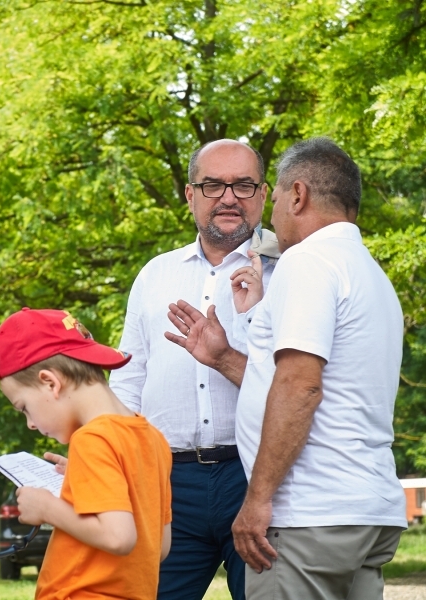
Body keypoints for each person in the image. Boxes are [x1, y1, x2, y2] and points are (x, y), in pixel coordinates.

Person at [166, 138, 407, 600]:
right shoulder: (370, 274)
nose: (272, 215)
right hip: (366, 511)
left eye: (273, 197)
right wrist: (233, 344)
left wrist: (256, 500)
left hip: (309, 516)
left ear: (298, 195)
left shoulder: (308, 261)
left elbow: (300, 387)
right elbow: (314, 382)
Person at [108, 139, 276, 600]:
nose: (228, 197)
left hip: (257, 479)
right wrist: (101, 452)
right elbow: (128, 377)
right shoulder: (155, 275)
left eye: (243, 185)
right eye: (212, 185)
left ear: (264, 194)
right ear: (189, 194)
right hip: (167, 483)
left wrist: (225, 355)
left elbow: (297, 387)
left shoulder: (289, 275)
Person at [0, 307, 172, 600]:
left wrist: (47, 508)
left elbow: (118, 537)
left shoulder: (91, 439)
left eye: (24, 407)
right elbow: (158, 548)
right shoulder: (152, 438)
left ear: (51, 382)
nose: (31, 423)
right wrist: (81, 478)